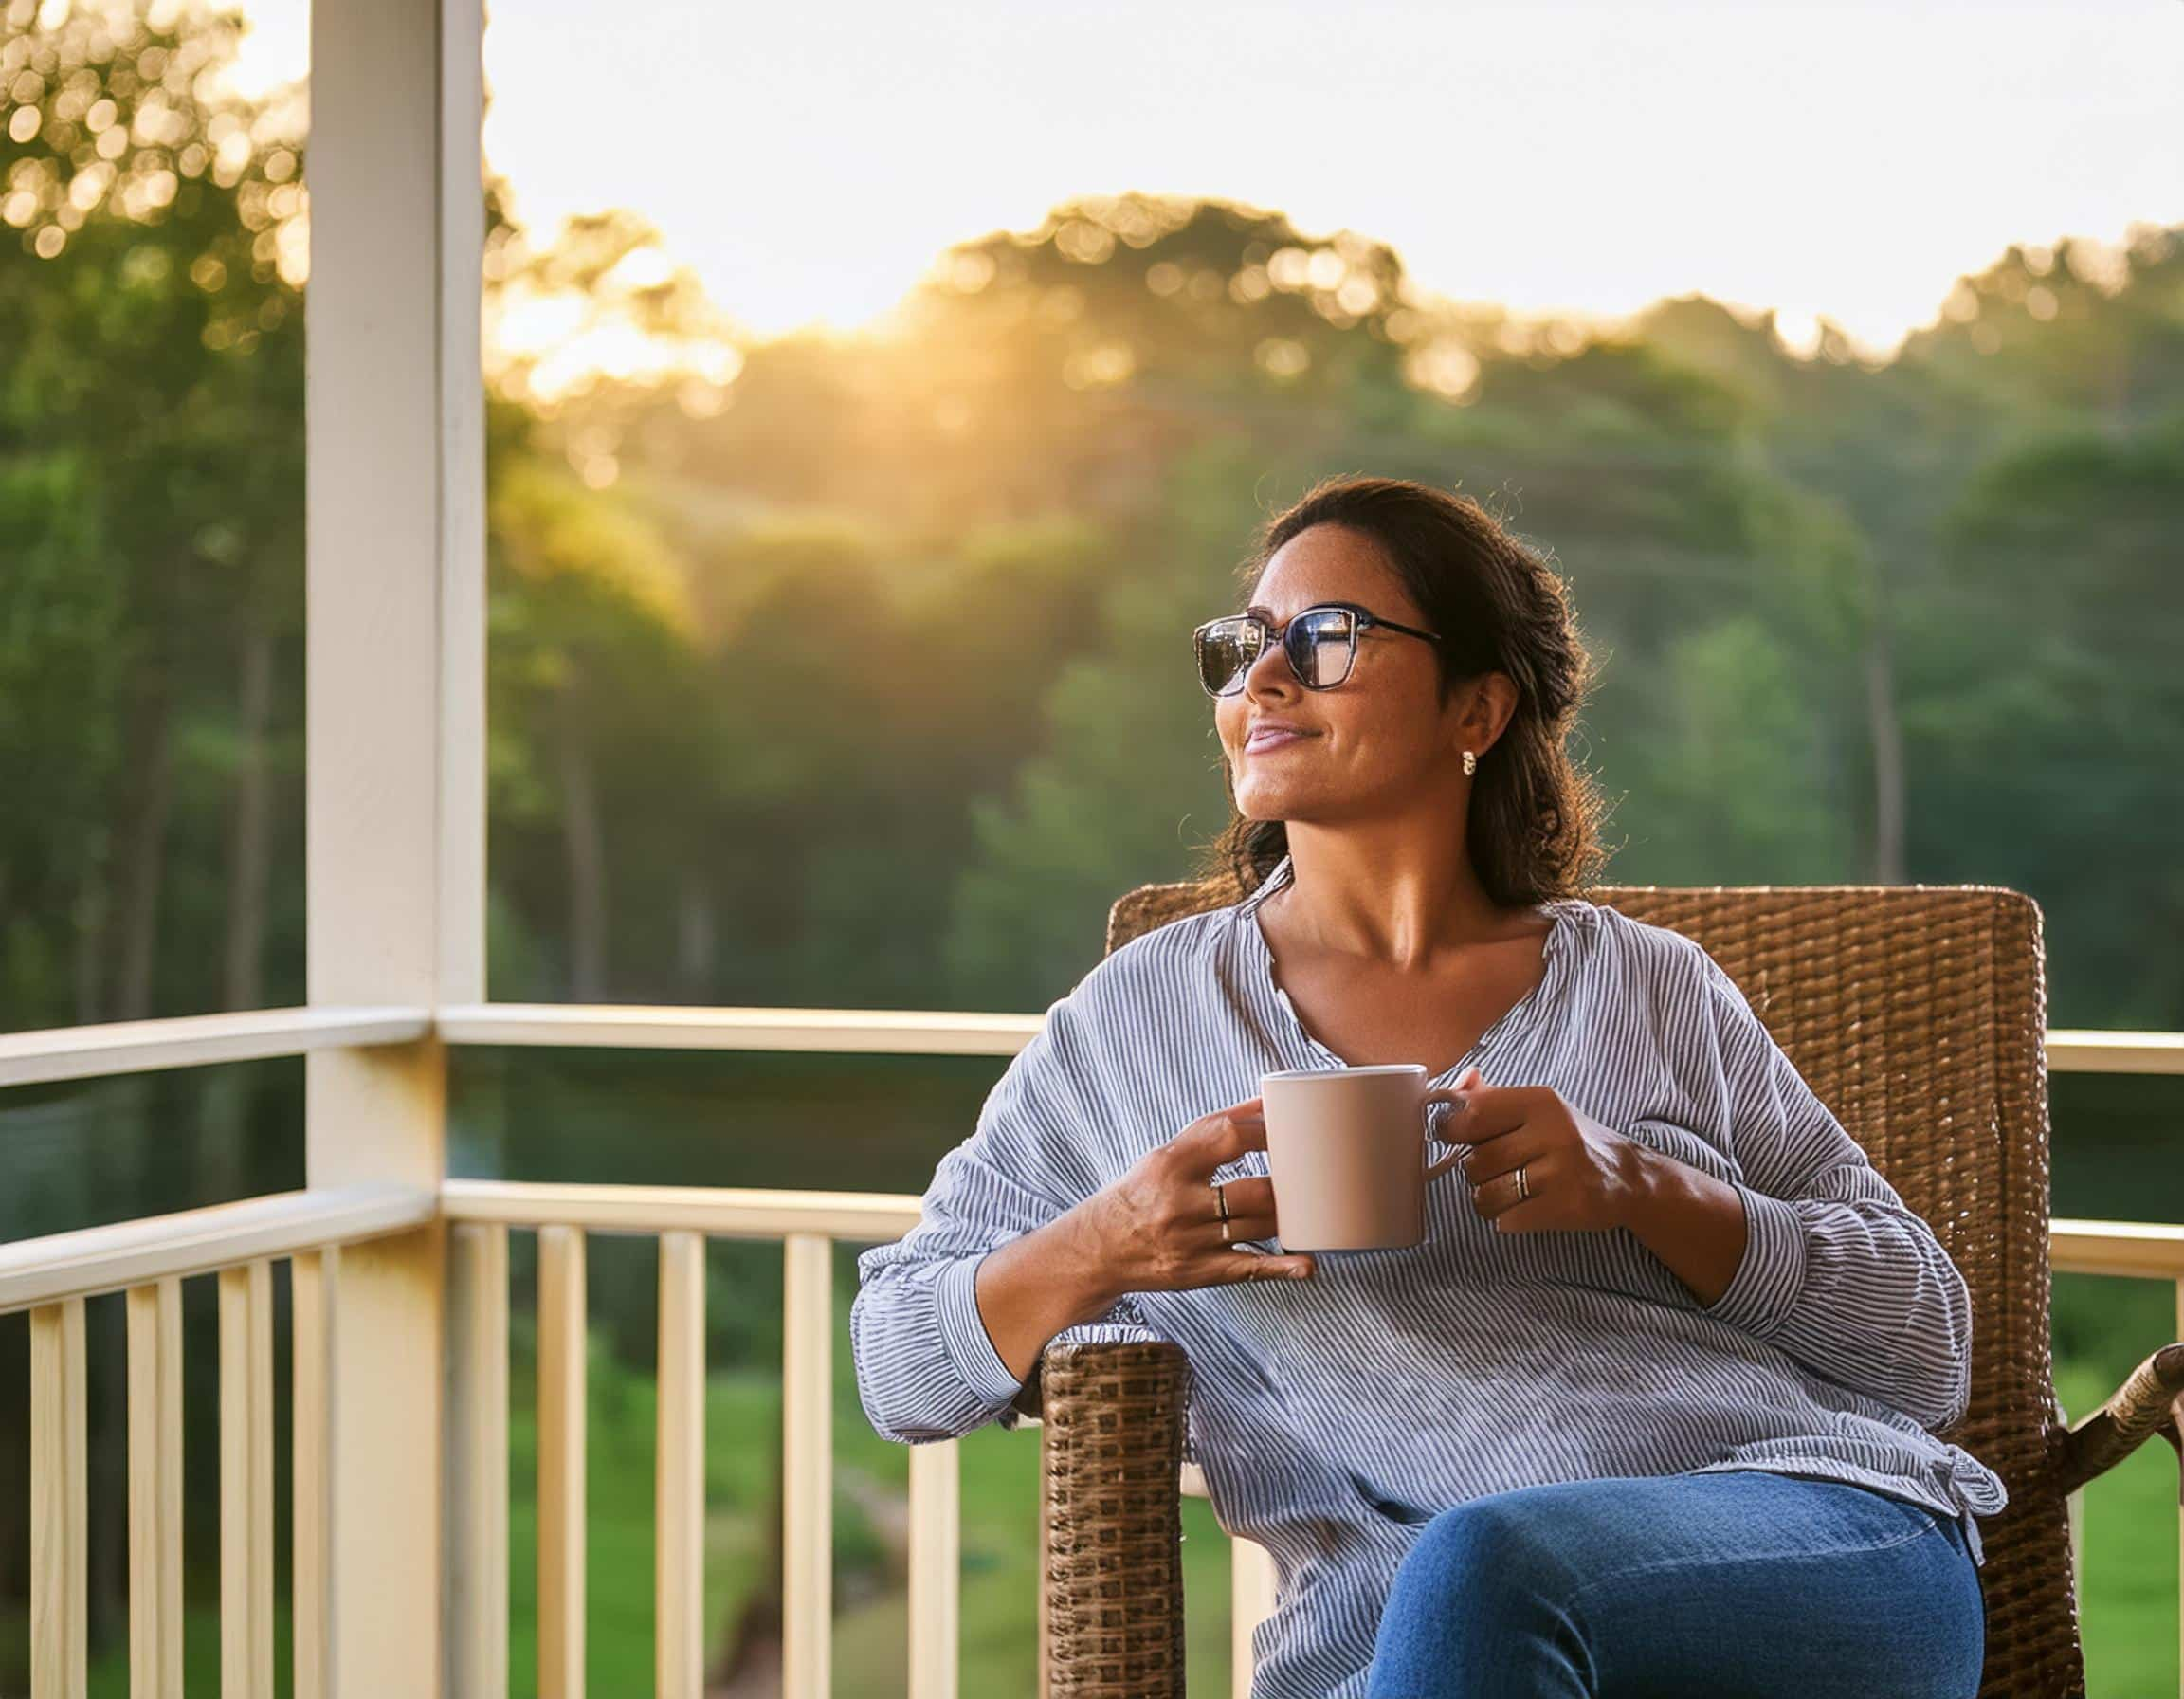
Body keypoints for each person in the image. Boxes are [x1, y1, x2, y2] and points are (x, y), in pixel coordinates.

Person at [849, 474, 2004, 1698]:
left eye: (1327, 638)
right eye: (1246, 647)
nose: (1264, 680)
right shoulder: (1137, 1027)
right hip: (1417, 1633)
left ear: (1479, 707)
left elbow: (1927, 1347)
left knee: (1494, 1570)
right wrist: (1106, 1243)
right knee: (1478, 1587)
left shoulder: (1651, 989)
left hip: (1813, 1542)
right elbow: (892, 1362)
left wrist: (1641, 1187)